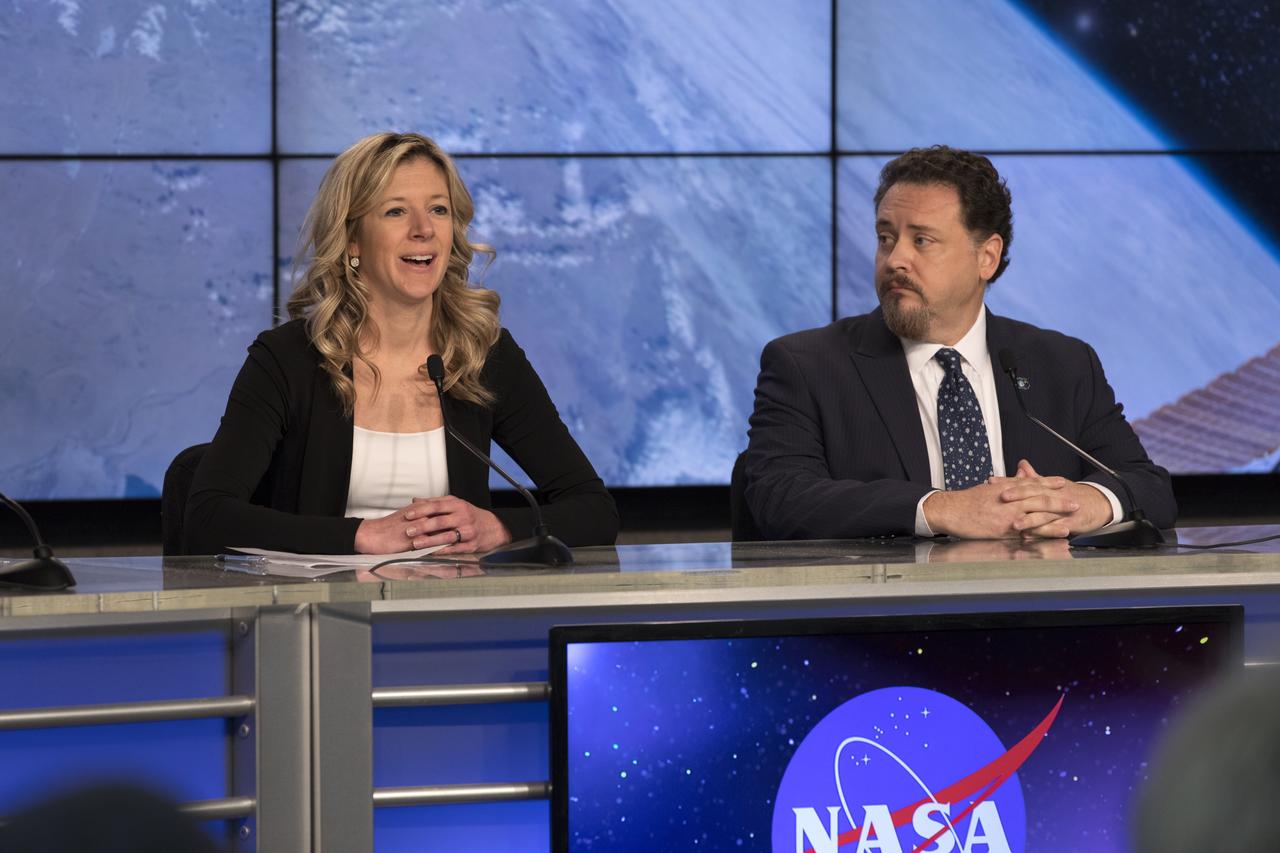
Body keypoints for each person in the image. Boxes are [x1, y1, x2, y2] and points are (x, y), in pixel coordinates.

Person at [185, 132, 617, 555]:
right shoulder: (288, 359)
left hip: (450, 600)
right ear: (352, 239)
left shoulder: (482, 353)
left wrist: (498, 528)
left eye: (438, 210)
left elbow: (594, 509)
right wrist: (361, 537)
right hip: (322, 601)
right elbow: (207, 516)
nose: (423, 229)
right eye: (396, 211)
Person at [744, 145, 1175, 540]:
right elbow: (778, 497)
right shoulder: (807, 365)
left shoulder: (1063, 364)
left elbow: (1150, 487)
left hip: (1038, 597)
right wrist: (941, 508)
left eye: (922, 240)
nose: (895, 260)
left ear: (986, 257)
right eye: (886, 238)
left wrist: (1084, 502)